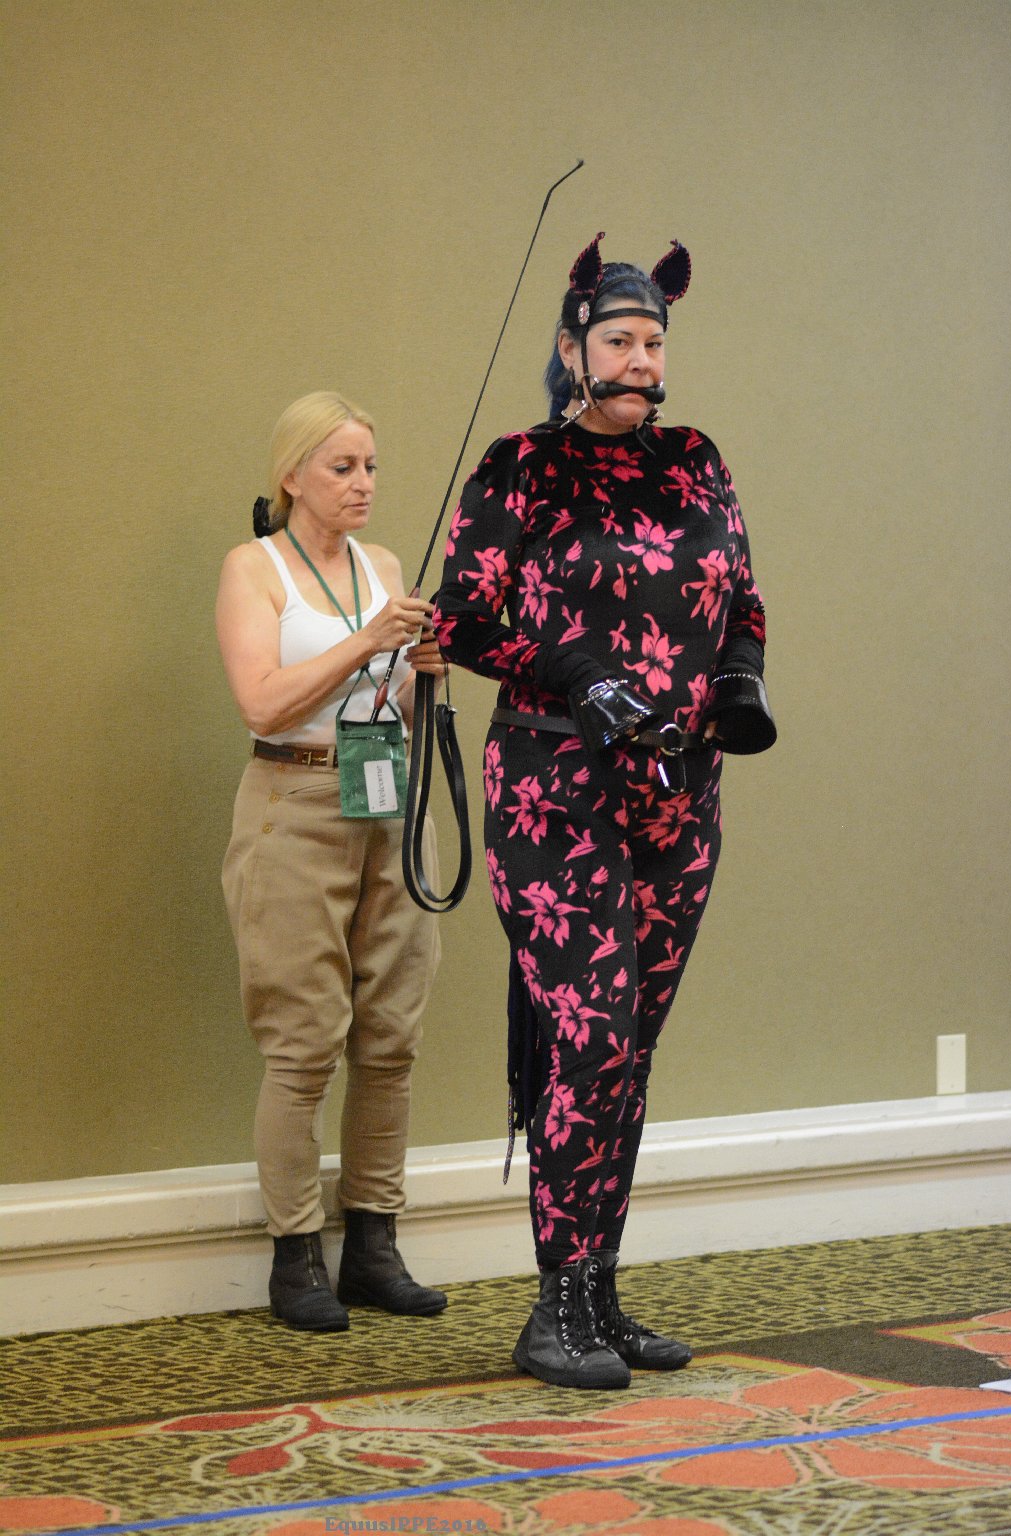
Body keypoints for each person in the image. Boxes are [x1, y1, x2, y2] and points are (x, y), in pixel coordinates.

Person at [434, 234, 775, 1389]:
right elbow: (460, 617)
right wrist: (575, 668)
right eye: (620, 340)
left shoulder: (697, 461)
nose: (641, 361)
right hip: (553, 788)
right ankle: (555, 1308)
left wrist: (738, 677)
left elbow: (742, 597)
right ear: (572, 347)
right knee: (588, 1032)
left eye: (654, 342)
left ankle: (601, 1294)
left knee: (631, 1046)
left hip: (679, 795)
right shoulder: (520, 467)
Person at [217, 390, 446, 1331]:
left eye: (371, 466)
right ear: (293, 475)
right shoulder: (255, 567)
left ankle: (374, 1247)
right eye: (342, 466)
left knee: (391, 1038)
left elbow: (396, 694)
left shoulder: (381, 566)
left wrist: (424, 665)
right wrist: (368, 642)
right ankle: (296, 1255)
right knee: (303, 1041)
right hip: (294, 803)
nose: (363, 483)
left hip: (387, 798)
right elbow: (263, 703)